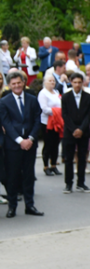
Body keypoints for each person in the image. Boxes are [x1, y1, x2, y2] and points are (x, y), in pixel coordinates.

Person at [0, 71, 43, 217]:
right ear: (9, 85)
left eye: (19, 82)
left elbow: (38, 120)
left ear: (23, 82)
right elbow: (6, 123)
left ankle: (30, 206)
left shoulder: (32, 99)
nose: (17, 85)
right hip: (13, 145)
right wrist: (20, 140)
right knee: (12, 176)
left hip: (30, 144)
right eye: (13, 84)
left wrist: (30, 138)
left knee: (29, 175)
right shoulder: (4, 102)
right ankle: (12, 206)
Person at [61, 72, 90, 195]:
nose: (77, 85)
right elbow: (65, 115)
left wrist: (81, 129)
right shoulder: (66, 97)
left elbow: (89, 115)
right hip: (70, 132)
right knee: (69, 158)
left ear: (83, 83)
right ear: (70, 82)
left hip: (83, 131)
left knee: (82, 158)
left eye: (79, 82)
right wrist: (74, 129)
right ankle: (68, 183)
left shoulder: (88, 97)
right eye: (75, 82)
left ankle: (81, 183)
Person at [38, 74, 62, 177]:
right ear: (45, 82)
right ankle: (46, 166)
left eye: (53, 81)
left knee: (56, 144)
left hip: (57, 121)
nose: (52, 82)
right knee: (48, 144)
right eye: (50, 81)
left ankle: (53, 164)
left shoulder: (56, 92)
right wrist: (57, 111)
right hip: (47, 122)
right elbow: (44, 109)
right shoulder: (43, 93)